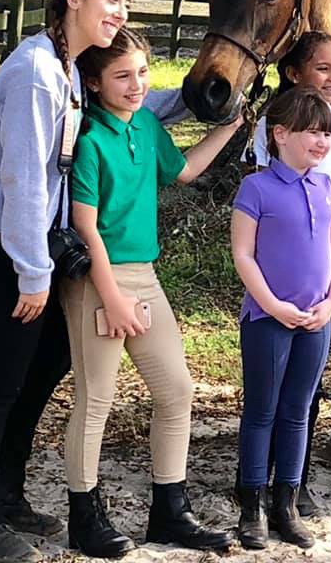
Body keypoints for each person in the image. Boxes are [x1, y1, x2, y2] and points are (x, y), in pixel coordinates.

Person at [0, 0, 184, 563]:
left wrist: (194, 96)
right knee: (2, 383)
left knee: (39, 374)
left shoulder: (69, 65)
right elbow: (25, 181)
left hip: (46, 250)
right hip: (7, 248)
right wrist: (32, 274)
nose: (121, 12)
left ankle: (8, 494)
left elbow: (136, 100)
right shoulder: (35, 71)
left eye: (127, 2)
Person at [62, 28, 239, 557]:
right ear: (93, 82)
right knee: (96, 401)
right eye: (122, 76)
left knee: (177, 390)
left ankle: (169, 510)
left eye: (142, 72)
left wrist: (231, 128)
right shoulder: (89, 139)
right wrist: (111, 296)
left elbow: (182, 171)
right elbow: (84, 225)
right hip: (101, 281)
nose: (137, 85)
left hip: (147, 276)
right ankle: (85, 516)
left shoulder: (144, 123)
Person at [244, 31, 331, 514]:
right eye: (322, 68)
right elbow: (261, 198)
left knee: (306, 388)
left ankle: (293, 485)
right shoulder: (272, 127)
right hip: (278, 272)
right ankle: (259, 483)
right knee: (270, 389)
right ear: (296, 74)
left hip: (327, 270)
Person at [231, 86, 331, 550]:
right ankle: (252, 503)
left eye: (326, 134)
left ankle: (287, 502)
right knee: (262, 411)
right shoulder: (255, 187)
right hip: (267, 318)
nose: (322, 142)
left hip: (316, 320)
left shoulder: (325, 186)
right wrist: (274, 305)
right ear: (280, 134)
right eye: (312, 133)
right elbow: (243, 254)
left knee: (298, 412)